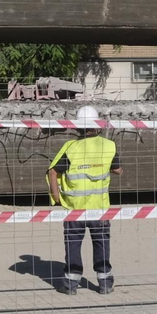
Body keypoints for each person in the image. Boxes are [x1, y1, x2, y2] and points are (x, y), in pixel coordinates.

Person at [46, 105, 121, 295]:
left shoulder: (71, 148)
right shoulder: (109, 145)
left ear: (78, 127)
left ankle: (71, 285)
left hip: (74, 209)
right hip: (100, 208)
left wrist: (56, 198)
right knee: (101, 243)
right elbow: (117, 169)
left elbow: (53, 171)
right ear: (98, 125)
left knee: (73, 244)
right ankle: (105, 283)